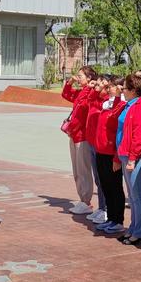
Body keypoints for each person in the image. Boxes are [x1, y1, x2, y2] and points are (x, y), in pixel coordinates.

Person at [117, 73, 141, 246]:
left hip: (135, 158)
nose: (122, 90)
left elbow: (139, 136)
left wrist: (132, 158)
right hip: (125, 154)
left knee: (137, 196)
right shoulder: (129, 106)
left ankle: (140, 231)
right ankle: (133, 227)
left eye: (124, 88)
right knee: (132, 196)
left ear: (132, 90)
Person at [61, 66, 97, 215]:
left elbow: (83, 110)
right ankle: (82, 199)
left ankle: (86, 200)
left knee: (83, 170)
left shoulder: (91, 93)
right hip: (74, 135)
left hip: (82, 136)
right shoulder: (82, 92)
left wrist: (90, 89)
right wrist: (70, 82)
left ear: (89, 78)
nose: (78, 77)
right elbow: (66, 94)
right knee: (77, 170)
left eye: (80, 75)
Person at [94, 76, 127, 234]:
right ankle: (111, 218)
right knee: (106, 186)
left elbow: (119, 132)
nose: (109, 88)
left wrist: (116, 157)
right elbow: (98, 94)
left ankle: (118, 220)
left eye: (113, 86)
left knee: (115, 187)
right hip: (100, 151)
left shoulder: (121, 105)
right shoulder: (107, 103)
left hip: (111, 153)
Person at [85, 75, 109, 225]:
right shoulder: (95, 98)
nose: (97, 85)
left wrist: (103, 90)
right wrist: (93, 89)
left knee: (104, 179)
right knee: (98, 179)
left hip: (101, 145)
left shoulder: (106, 101)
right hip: (92, 144)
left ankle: (106, 209)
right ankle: (101, 207)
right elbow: (88, 100)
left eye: (100, 83)